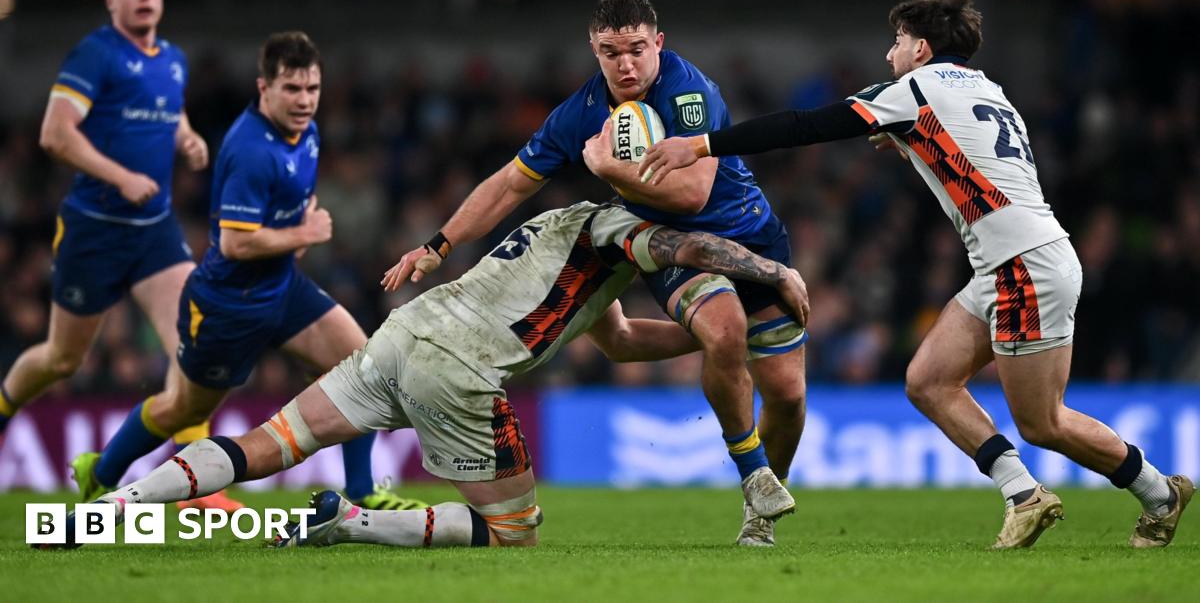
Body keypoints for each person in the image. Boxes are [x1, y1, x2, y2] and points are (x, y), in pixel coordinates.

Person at [637, 0, 1193, 549]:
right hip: (1014, 261)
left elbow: (804, 125)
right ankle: (1024, 494)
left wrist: (701, 145)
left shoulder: (915, 89)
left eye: (897, 41)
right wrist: (912, 143)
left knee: (1042, 421)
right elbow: (974, 155)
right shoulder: (988, 88)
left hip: (1022, 267)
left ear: (921, 49)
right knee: (928, 381)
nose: (889, 54)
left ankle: (1158, 493)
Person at [38, 201, 810, 550]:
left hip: (406, 332)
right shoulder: (621, 226)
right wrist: (773, 270)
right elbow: (690, 250)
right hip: (458, 368)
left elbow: (620, 341)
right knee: (514, 532)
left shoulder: (565, 230)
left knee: (268, 441)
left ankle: (106, 509)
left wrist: (709, 338)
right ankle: (350, 521)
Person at [384, 0, 807, 546]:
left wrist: (608, 168)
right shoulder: (579, 112)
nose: (626, 64)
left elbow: (693, 192)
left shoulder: (689, 92)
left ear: (658, 43)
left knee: (787, 394)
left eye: (636, 49)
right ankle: (754, 478)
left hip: (751, 235)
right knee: (723, 329)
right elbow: (510, 184)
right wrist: (439, 244)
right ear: (594, 50)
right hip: (670, 245)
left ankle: (762, 499)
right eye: (611, 53)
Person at [69, 31, 423, 513]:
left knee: (361, 363)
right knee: (183, 407)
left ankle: (362, 490)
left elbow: (287, 205)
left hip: (282, 287)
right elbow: (235, 243)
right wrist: (303, 233)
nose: (304, 100)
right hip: (228, 305)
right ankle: (101, 471)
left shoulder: (307, 132)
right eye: (291, 89)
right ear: (264, 88)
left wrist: (298, 227)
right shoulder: (251, 149)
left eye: (312, 88)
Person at [0, 0, 240, 509]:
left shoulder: (172, 59)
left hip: (154, 231)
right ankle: (4, 405)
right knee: (62, 359)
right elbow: (55, 133)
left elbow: (168, 110)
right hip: (95, 230)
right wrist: (121, 176)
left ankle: (195, 485)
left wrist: (187, 136)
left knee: (192, 344)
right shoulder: (95, 54)